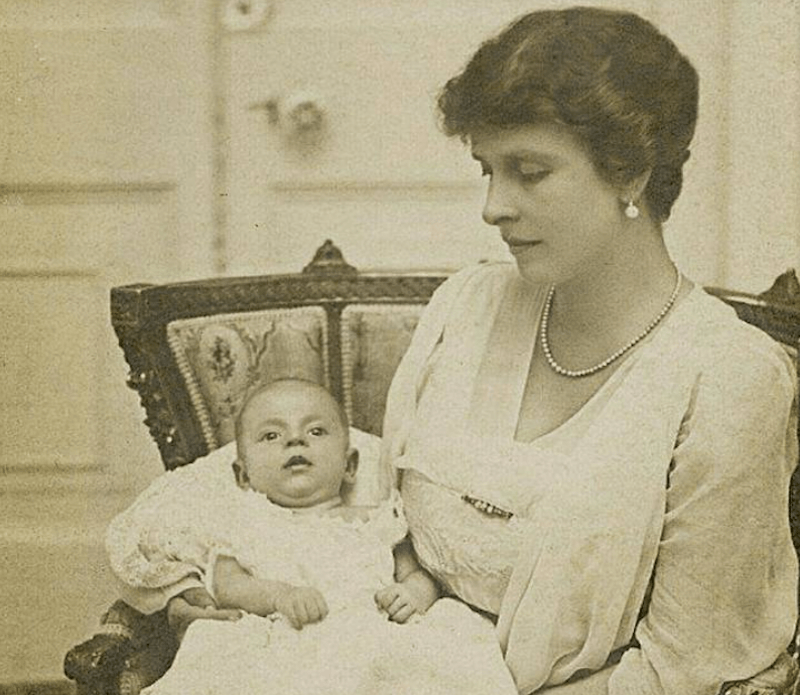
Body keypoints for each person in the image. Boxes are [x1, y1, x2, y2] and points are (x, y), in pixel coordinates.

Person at [107, 7, 798, 695]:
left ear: (632, 173)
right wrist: (204, 590)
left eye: (529, 171)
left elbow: (686, 670)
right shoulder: (469, 308)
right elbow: (353, 517)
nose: (493, 206)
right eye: (486, 170)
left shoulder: (725, 378)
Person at [108, 379, 517, 695]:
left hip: (371, 635)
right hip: (283, 639)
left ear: (350, 464)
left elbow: (418, 573)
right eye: (271, 436)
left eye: (317, 431)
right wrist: (279, 596)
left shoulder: (376, 520)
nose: (295, 440)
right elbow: (227, 585)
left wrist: (412, 596)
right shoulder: (247, 522)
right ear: (243, 474)